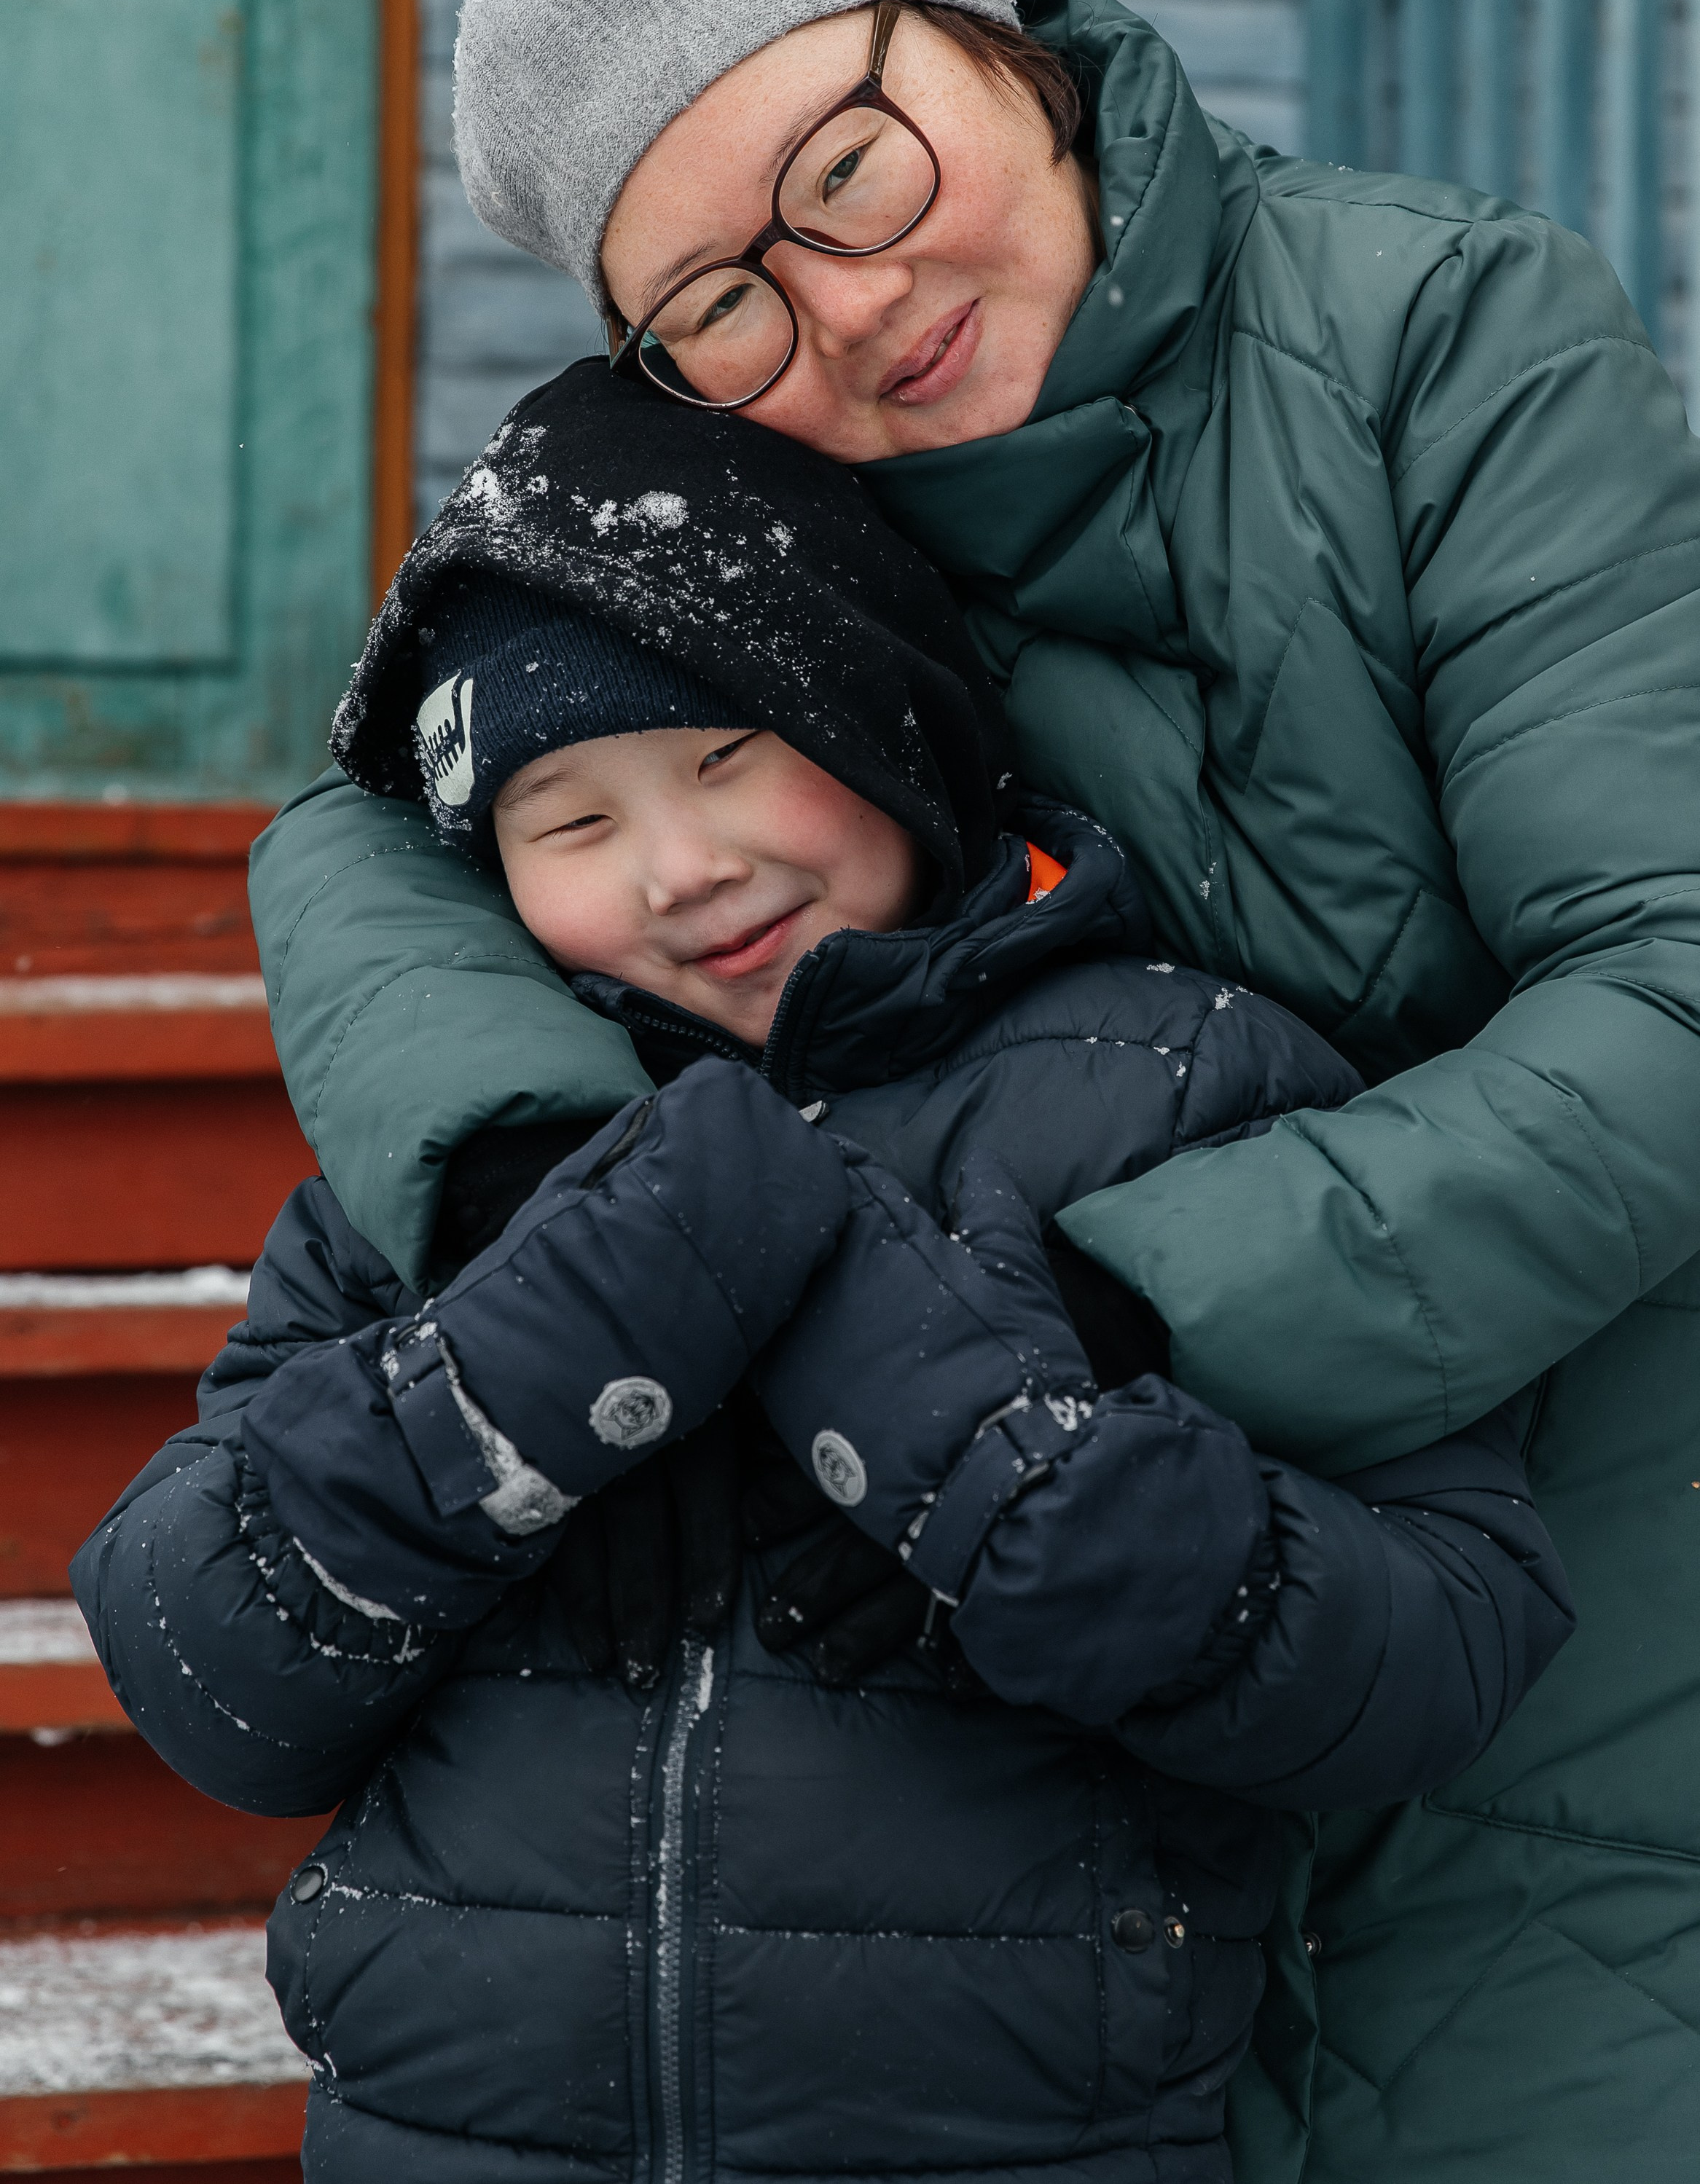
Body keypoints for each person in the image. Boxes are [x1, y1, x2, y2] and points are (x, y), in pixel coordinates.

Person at [250, 0, 1700, 2180]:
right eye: (713, 294)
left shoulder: (1434, 336)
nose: (845, 306)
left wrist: (1097, 1301)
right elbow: (366, 819)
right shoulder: (754, 475)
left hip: (1549, 1567)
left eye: (847, 160)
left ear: (982, 36)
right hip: (1034, 1677)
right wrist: (571, 1195)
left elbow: (1669, 979)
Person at [76, 370, 1573, 2183]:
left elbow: (1440, 1640)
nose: (684, 871)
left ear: (886, 722)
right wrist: (519, 1378)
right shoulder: (456, 1172)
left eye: (726, 758)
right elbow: (210, 1671)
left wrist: (1012, 1481)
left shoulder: (1179, 1091)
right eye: (571, 823)